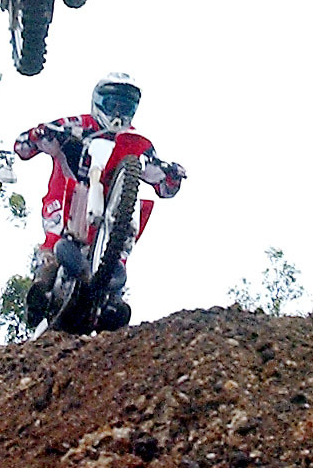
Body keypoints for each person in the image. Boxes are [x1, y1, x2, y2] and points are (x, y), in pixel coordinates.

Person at [14, 72, 186, 330]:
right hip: (69, 203)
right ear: (98, 102)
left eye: (125, 106)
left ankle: (112, 296)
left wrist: (172, 175)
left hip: (112, 220)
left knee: (138, 211)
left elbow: (164, 187)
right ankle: (44, 277)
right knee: (51, 250)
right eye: (113, 104)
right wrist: (40, 135)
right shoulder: (77, 124)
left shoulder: (135, 143)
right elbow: (23, 147)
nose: (118, 111)